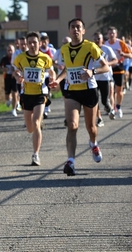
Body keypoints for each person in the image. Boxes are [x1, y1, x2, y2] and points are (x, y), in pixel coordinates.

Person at [49, 18, 109, 176]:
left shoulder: (90, 46)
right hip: (71, 91)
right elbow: (67, 69)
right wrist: (57, 80)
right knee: (72, 125)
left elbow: (106, 66)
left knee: (91, 127)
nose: (75, 30)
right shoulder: (64, 49)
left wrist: (92, 72)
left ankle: (94, 143)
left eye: (78, 27)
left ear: (83, 31)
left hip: (89, 90)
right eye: (72, 27)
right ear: (69, 30)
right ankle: (71, 162)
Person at [13, 31, 56, 166]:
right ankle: (36, 124)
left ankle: (35, 155)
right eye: (29, 43)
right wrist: (18, 76)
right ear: (26, 44)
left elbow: (51, 71)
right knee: (30, 128)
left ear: (40, 43)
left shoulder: (45, 58)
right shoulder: (20, 58)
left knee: (36, 123)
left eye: (35, 42)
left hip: (40, 94)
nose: (32, 45)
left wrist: (53, 78)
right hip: (26, 94)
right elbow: (15, 71)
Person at [105, 26, 132, 119]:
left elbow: (130, 55)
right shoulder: (105, 44)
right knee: (111, 91)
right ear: (107, 34)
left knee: (119, 91)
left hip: (118, 68)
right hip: (108, 69)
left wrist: (123, 54)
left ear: (116, 34)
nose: (111, 34)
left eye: (113, 33)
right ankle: (113, 109)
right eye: (110, 33)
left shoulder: (120, 43)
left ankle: (118, 107)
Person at [92, 32, 118, 127]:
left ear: (102, 39)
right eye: (95, 39)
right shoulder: (90, 50)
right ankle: (99, 119)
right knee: (95, 100)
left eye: (98, 38)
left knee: (104, 100)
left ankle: (109, 108)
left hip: (105, 78)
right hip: (93, 79)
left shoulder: (107, 49)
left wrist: (107, 63)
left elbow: (115, 60)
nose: (97, 40)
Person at [53, 36, 71, 126]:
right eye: (64, 43)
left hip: (72, 78)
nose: (65, 45)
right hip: (63, 77)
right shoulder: (59, 51)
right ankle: (67, 117)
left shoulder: (74, 51)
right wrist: (58, 66)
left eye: (67, 43)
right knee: (66, 98)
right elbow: (52, 61)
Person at [39, 34, 57, 118]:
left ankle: (46, 108)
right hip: (41, 73)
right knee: (42, 91)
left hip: (49, 72)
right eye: (42, 41)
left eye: (45, 41)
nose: (43, 43)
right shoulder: (38, 50)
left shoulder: (52, 50)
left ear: (48, 42)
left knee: (48, 90)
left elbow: (55, 61)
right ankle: (43, 108)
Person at [0, 44, 18, 116]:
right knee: (7, 95)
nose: (10, 52)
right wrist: (3, 69)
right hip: (7, 78)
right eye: (8, 50)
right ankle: (9, 100)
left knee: (15, 94)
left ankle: (14, 109)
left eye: (11, 50)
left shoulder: (16, 58)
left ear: (14, 51)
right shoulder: (4, 59)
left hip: (14, 78)